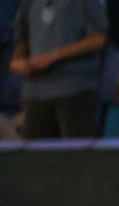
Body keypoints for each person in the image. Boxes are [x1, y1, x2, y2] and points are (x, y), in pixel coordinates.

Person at [10, 0, 107, 139]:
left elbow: (100, 38)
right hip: (34, 92)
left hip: (74, 89)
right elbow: (22, 39)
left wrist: (54, 56)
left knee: (77, 150)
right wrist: (18, 61)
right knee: (35, 151)